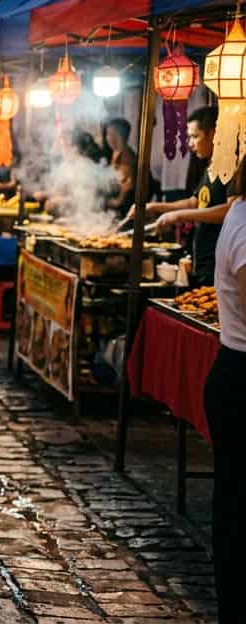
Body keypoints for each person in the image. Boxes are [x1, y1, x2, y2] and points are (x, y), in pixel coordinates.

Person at [207, 157, 246, 621]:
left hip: (232, 373)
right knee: (236, 507)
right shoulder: (244, 223)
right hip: (240, 377)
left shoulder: (237, 211)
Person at [146, 105, 234, 285]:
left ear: (213, 134)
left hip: (220, 260)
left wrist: (179, 215)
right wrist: (156, 207)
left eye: (195, 136)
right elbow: (196, 202)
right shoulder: (212, 167)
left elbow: (232, 211)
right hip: (203, 258)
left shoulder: (232, 168)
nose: (190, 144)